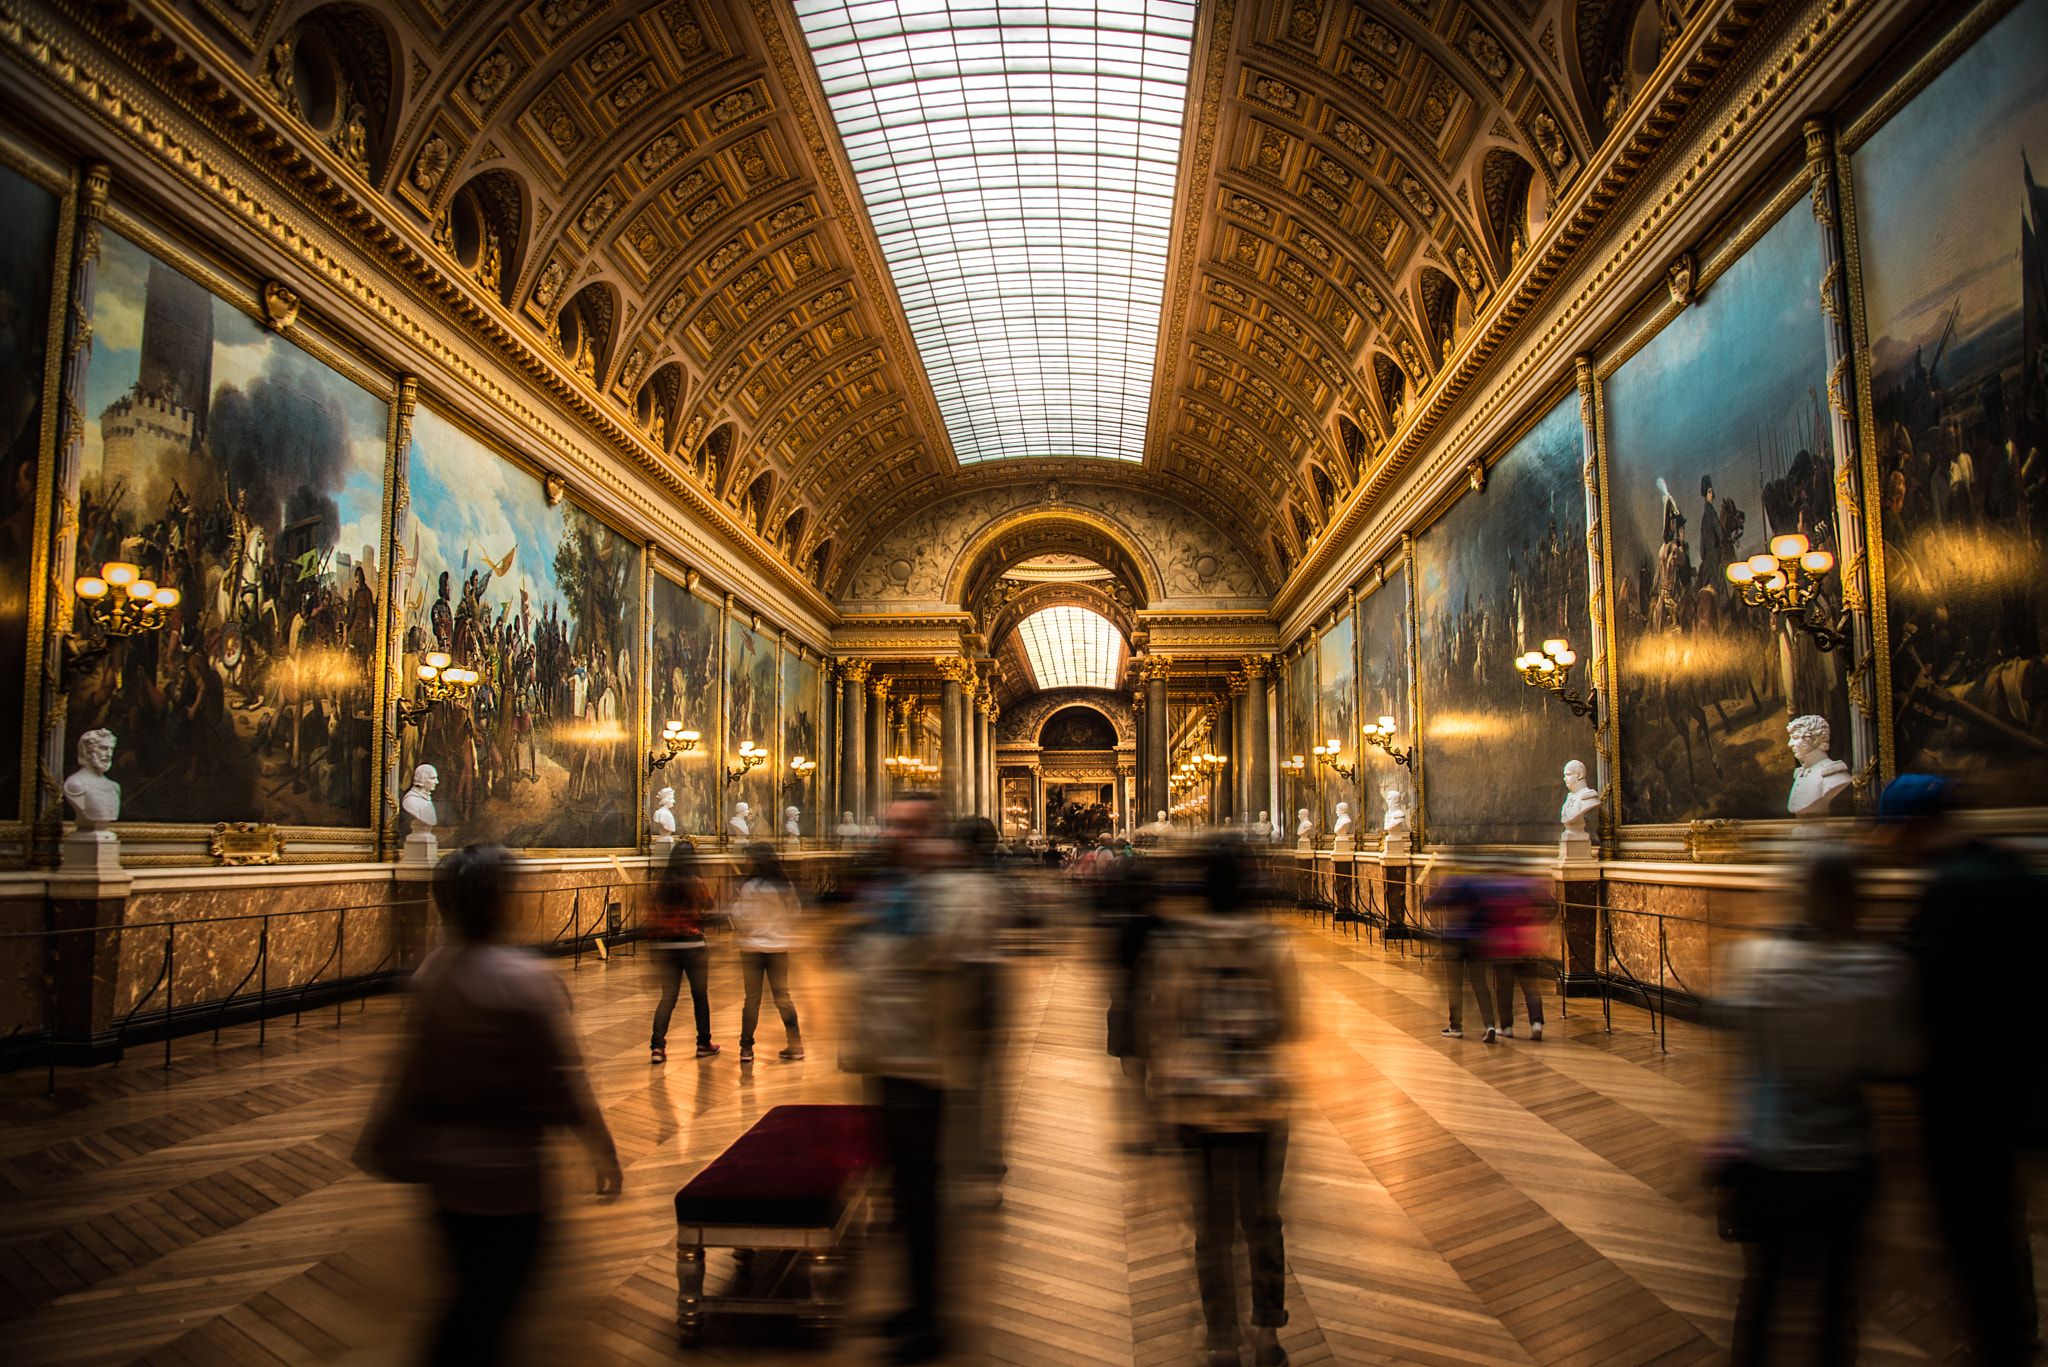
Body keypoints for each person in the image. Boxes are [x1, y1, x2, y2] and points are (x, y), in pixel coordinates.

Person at [358, 844, 621, 1366]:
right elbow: (564, 1084)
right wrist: (601, 1149)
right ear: (502, 901)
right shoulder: (529, 981)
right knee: (488, 1309)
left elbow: (410, 1072)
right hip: (511, 1175)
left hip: (444, 1173)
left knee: (471, 1296)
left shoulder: (431, 975)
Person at [1721, 850, 1904, 1367]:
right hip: (1847, 1159)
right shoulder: (1878, 968)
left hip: (1769, 1152)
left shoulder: (1757, 959)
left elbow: (1737, 1061)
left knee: (1763, 1293)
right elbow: (1894, 1064)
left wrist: (1725, 1136)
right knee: (1835, 1300)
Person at [1883, 775, 2042, 1366]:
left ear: (1916, 827)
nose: (1894, 847)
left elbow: (1928, 1003)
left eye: (1897, 833)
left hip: (1965, 1098)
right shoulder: (2010, 870)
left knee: (1976, 1230)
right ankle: (2015, 1332)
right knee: (2003, 1223)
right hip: (2015, 1085)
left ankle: (2000, 1343)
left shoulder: (1951, 892)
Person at [1148, 839, 1297, 1367]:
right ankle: (1267, 1336)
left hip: (1199, 1101)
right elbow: (1289, 1023)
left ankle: (1220, 1341)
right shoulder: (1273, 944)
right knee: (1262, 1219)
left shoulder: (1178, 946)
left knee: (1211, 1228)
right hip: (1261, 1097)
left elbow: (1164, 1023)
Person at [845, 792, 956, 1364]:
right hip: (884, 1058)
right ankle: (913, 1307)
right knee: (900, 1195)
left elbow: (948, 973)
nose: (895, 836)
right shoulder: (891, 889)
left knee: (920, 1195)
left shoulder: (940, 896)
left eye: (908, 827)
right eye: (892, 826)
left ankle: (929, 1317)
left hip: (921, 1064)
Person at [730, 842, 803, 1065]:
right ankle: (795, 1044)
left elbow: (743, 918)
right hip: (779, 947)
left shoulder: (750, 887)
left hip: (752, 948)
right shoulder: (784, 885)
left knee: (752, 999)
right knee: (783, 996)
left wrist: (734, 910)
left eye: (749, 858)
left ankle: (746, 1048)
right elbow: (796, 912)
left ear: (757, 861)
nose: (746, 862)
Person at [648, 841, 718, 1062]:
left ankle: (657, 1047)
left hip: (668, 946)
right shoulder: (695, 882)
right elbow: (709, 905)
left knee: (668, 997)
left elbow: (653, 912)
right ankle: (703, 1043)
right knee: (700, 997)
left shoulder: (662, 884)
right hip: (694, 945)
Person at [1431, 876, 1498, 1043]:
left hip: (1454, 940)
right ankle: (1489, 1024)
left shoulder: (1451, 882)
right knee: (1480, 983)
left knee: (1454, 984)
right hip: (1477, 939)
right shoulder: (1483, 883)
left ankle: (1456, 1026)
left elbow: (1430, 904)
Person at [1487, 878, 1549, 1040]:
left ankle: (1506, 1027)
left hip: (1503, 944)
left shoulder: (1496, 887)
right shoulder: (1529, 884)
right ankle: (1536, 1023)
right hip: (1526, 942)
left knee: (1504, 989)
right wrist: (1537, 922)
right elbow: (1552, 905)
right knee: (1530, 986)